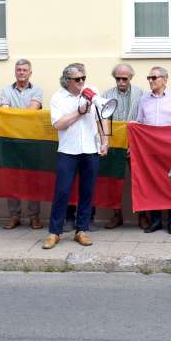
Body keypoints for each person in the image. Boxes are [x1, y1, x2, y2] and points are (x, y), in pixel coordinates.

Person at [42, 63, 107, 249]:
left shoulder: (91, 91)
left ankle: (82, 230)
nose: (82, 82)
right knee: (62, 191)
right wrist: (79, 112)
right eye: (77, 79)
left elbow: (101, 117)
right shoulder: (58, 97)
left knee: (87, 191)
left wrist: (105, 141)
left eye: (83, 78)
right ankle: (54, 232)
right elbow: (58, 124)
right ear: (67, 81)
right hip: (68, 151)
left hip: (90, 148)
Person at [137, 65, 171, 234]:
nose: (151, 81)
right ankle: (156, 220)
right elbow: (140, 124)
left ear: (165, 79)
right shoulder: (144, 99)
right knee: (153, 184)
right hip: (150, 150)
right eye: (149, 78)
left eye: (154, 78)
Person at [0, 58, 44, 230]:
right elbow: (4, 112)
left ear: (30, 73)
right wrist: (14, 115)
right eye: (19, 70)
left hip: (32, 141)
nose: (21, 72)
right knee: (12, 179)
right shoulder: (5, 90)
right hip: (11, 140)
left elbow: (32, 112)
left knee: (32, 179)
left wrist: (13, 115)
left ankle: (34, 216)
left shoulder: (37, 90)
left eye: (25, 70)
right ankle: (14, 216)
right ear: (15, 72)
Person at [101, 62, 147, 229]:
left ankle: (143, 215)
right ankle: (116, 214)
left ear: (130, 78)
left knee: (139, 180)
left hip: (136, 143)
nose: (121, 82)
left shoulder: (141, 93)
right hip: (114, 143)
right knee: (114, 179)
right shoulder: (106, 94)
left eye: (124, 79)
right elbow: (103, 119)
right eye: (118, 79)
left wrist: (135, 144)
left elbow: (144, 120)